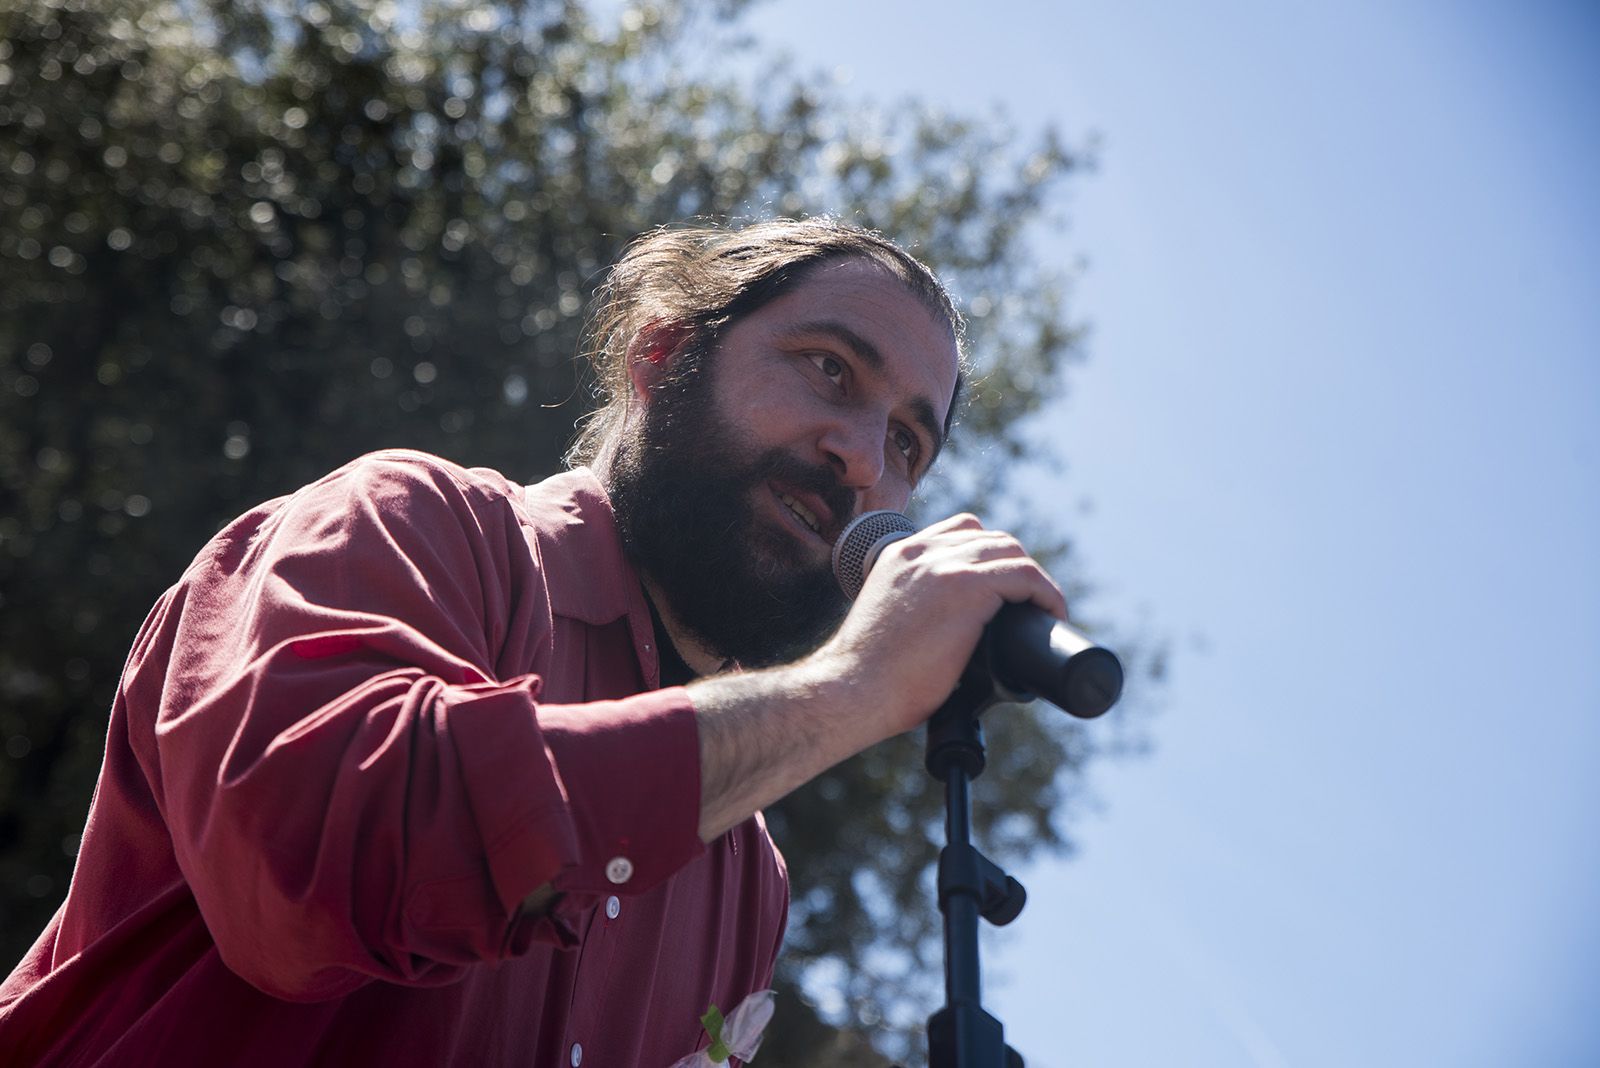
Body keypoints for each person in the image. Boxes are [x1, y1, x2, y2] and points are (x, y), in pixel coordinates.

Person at [0, 218, 1067, 1066]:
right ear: (662, 357)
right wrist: (849, 693)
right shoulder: (411, 524)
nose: (859, 459)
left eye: (906, 441)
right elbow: (306, 873)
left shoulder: (748, 882)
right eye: (830, 369)